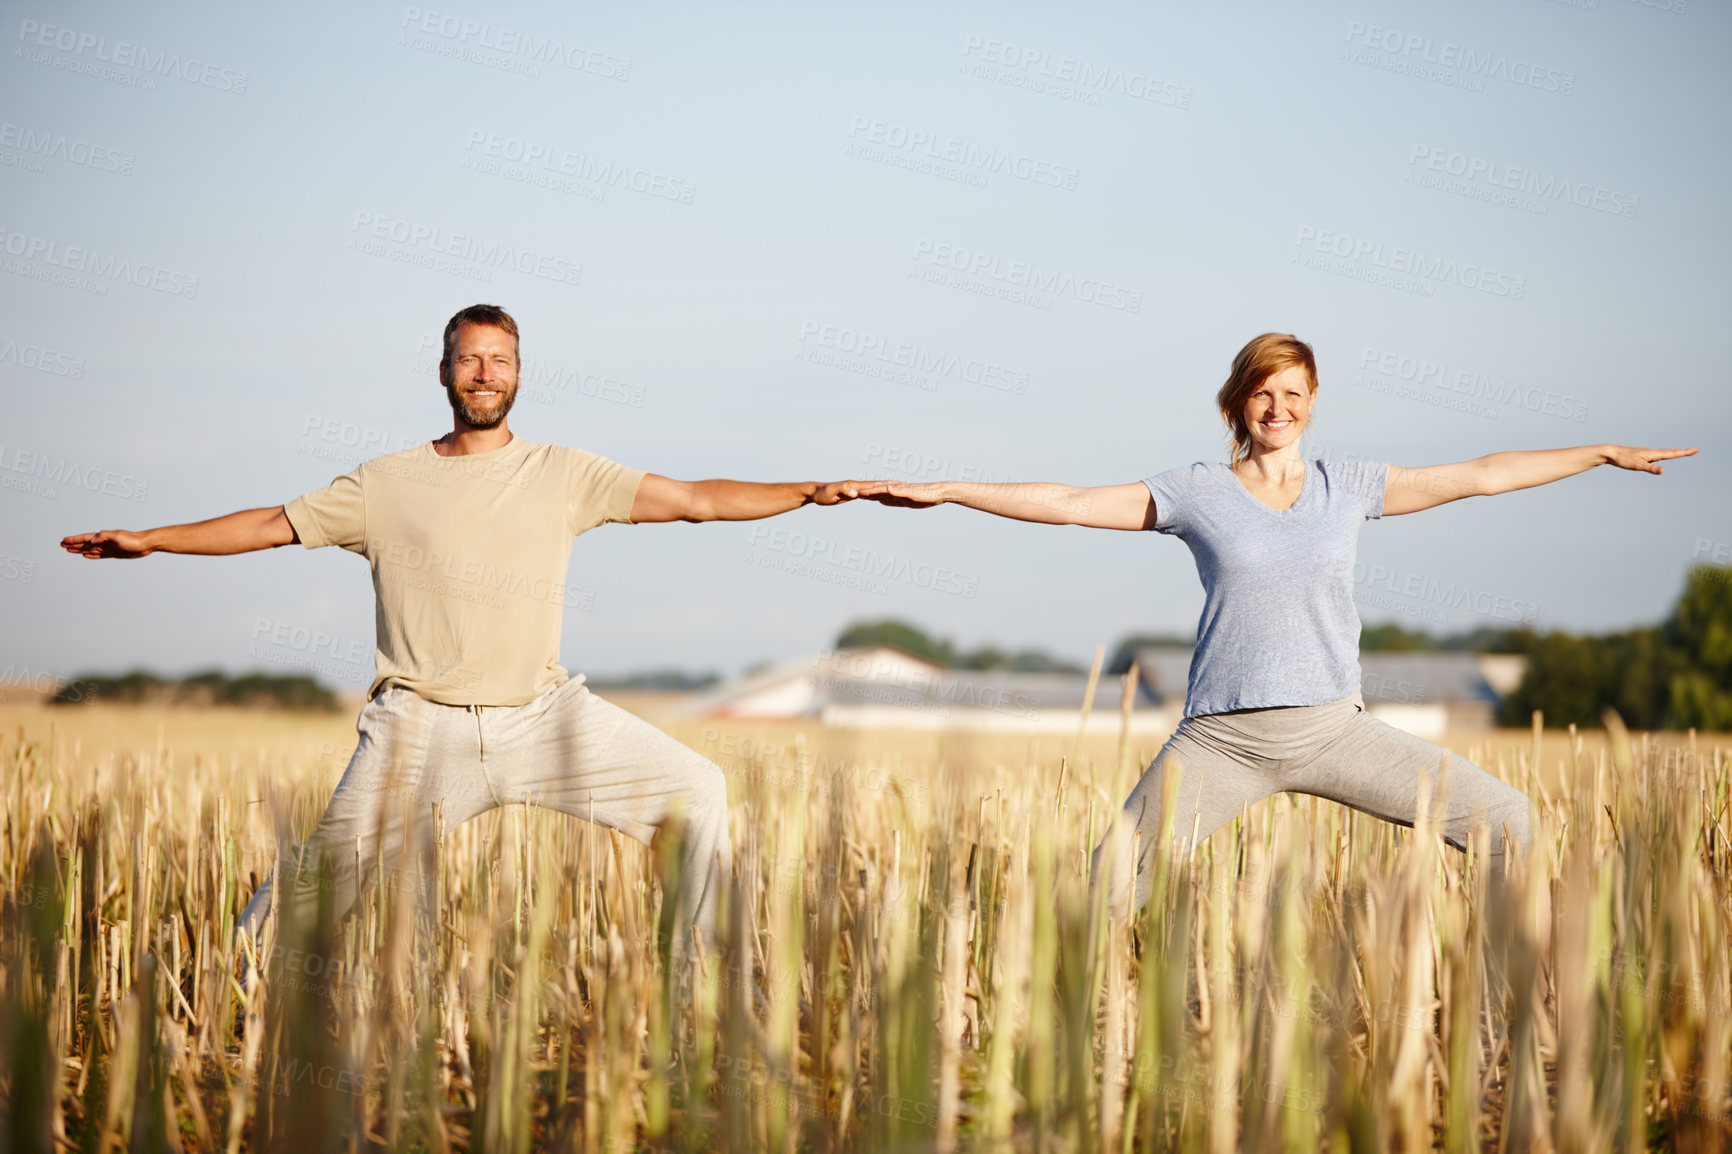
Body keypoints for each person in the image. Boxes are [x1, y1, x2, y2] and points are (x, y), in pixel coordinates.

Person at [61, 303, 861, 962]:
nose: (485, 373)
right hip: (419, 731)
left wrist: (809, 490)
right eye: (470, 359)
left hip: (545, 718)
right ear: (445, 372)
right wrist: (152, 537)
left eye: (500, 361)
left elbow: (696, 498)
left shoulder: (565, 472)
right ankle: (218, 999)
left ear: (519, 375)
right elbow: (272, 523)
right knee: (307, 898)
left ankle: (699, 997)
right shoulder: (383, 484)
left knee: (697, 791)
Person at [855, 332, 1696, 912]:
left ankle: (1532, 985)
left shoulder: (1350, 485)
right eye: (1261, 390)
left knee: (1510, 823)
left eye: (1291, 391)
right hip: (1221, 740)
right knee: (1107, 886)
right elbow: (1073, 503)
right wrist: (951, 488)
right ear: (1237, 402)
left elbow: (1480, 474)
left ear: (1313, 401)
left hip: (1337, 730)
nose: (1276, 405)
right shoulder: (1197, 492)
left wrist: (1597, 453)